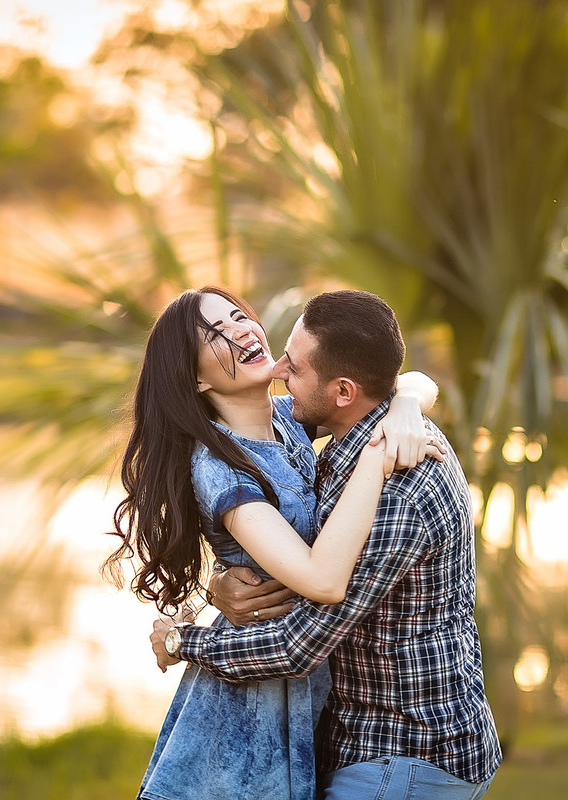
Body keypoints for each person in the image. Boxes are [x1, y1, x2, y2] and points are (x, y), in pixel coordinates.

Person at [152, 290, 502, 800]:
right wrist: (219, 584)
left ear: (342, 392)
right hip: (298, 719)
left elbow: (307, 625)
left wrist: (183, 641)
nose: (245, 333)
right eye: (214, 333)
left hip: (403, 747)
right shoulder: (256, 448)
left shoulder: (374, 465)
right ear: (197, 377)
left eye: (237, 316)